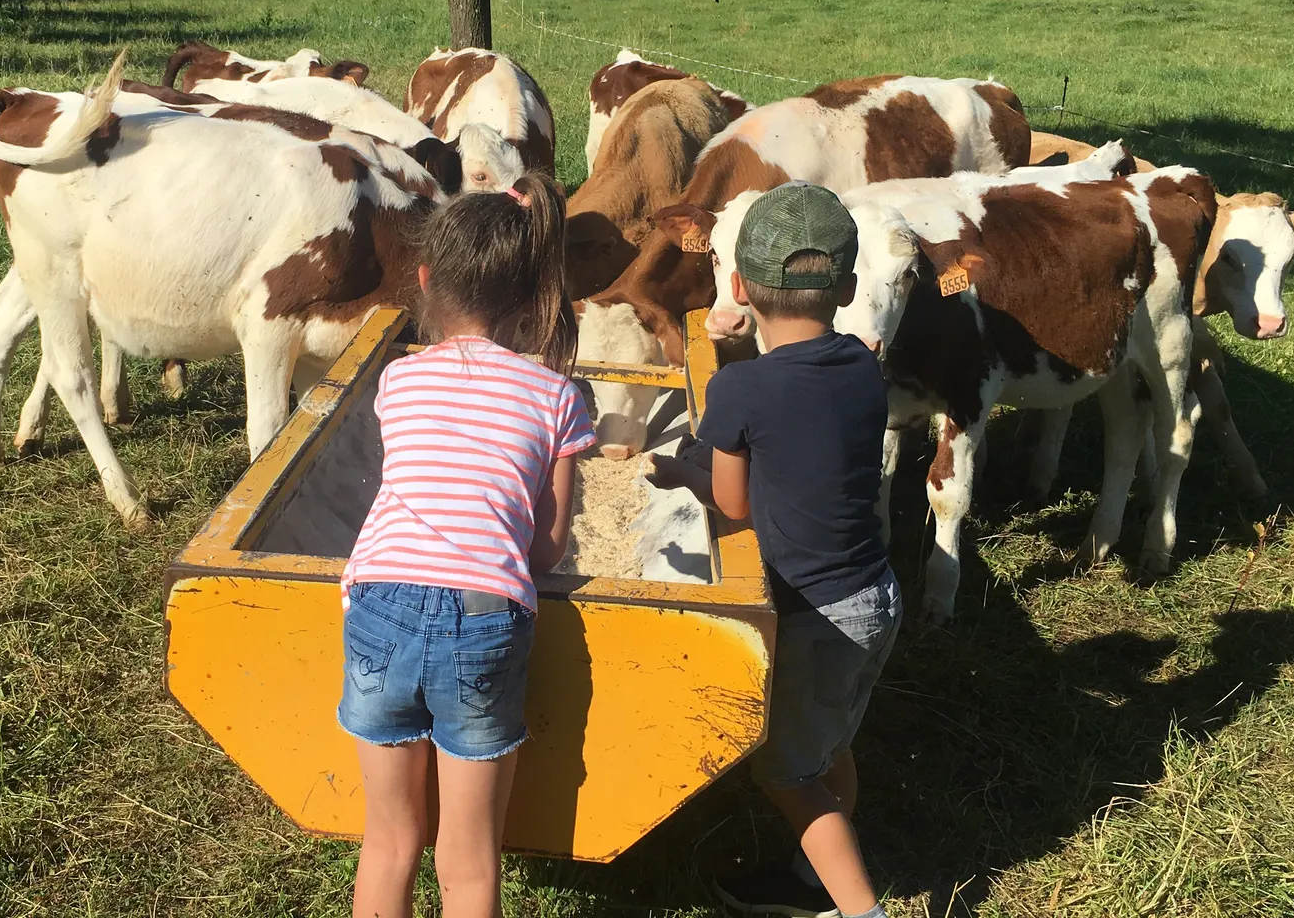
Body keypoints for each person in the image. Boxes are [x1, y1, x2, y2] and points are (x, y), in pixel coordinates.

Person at [337, 173, 595, 918]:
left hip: (378, 602)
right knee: (472, 863)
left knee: (388, 843)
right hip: (486, 617)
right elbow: (545, 551)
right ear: (530, 297)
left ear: (424, 279)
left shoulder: (401, 379)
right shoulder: (556, 398)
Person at [647, 182, 902, 918]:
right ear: (848, 288)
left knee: (784, 774)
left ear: (735, 283)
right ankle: (808, 876)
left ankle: (857, 909)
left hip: (816, 616)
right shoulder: (861, 363)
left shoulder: (741, 389)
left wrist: (690, 464)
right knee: (830, 747)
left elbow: (731, 501)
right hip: (876, 595)